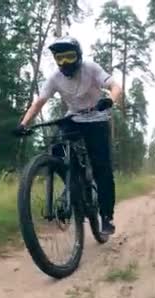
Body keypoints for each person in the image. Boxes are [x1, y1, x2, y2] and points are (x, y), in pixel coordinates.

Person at [14, 36, 123, 235]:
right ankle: (74, 188)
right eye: (59, 58)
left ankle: (106, 216)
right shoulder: (55, 78)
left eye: (69, 57)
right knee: (57, 149)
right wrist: (23, 123)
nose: (64, 63)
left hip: (97, 119)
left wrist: (110, 100)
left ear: (78, 56)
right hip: (73, 119)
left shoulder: (91, 68)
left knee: (102, 168)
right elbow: (39, 102)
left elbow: (115, 87)